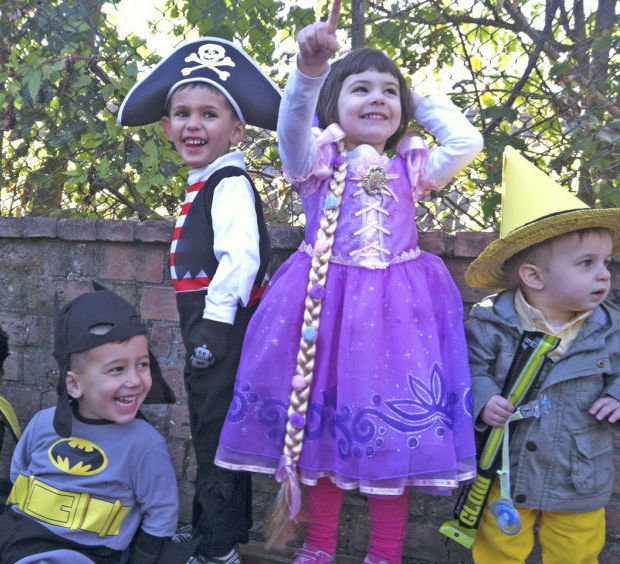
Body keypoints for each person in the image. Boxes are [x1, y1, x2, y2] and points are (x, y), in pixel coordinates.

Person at [215, 2, 483, 562]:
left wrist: (419, 99)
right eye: (362, 89)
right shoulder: (317, 161)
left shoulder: (413, 167)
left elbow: (466, 144)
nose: (379, 100)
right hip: (323, 308)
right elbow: (292, 124)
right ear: (334, 104)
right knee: (322, 430)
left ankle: (385, 552)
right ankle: (318, 547)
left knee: (391, 443)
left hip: (399, 317)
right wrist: (309, 72)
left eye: (390, 92)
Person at [117, 37, 281, 564]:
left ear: (235, 130)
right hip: (212, 330)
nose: (193, 124)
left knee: (217, 435)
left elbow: (240, 259)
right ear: (165, 127)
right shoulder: (206, 182)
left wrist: (213, 327)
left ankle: (218, 548)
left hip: (223, 331)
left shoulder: (229, 181)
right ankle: (215, 532)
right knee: (214, 429)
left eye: (209, 114)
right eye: (181, 113)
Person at [464, 147, 620, 563]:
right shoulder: (491, 322)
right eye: (587, 263)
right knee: (497, 548)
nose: (604, 274)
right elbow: (471, 369)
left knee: (577, 551)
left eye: (606, 262)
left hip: (578, 472)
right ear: (533, 276)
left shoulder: (611, 328)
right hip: (505, 468)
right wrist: (483, 400)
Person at [0, 285, 178, 564]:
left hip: (82, 552)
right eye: (117, 369)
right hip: (17, 532)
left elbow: (161, 512)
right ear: (74, 383)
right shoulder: (43, 423)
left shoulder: (144, 444)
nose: (134, 380)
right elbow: (18, 474)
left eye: (142, 365)